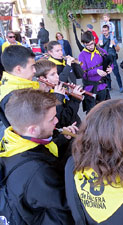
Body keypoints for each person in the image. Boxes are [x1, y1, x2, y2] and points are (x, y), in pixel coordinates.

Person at [0, 89, 76, 224]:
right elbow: (68, 207)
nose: (57, 120)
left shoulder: (11, 140)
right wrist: (75, 151)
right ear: (32, 129)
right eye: (52, 118)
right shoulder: (39, 172)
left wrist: (64, 141)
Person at [0, 45, 39, 134]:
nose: (35, 71)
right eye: (32, 67)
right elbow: (34, 130)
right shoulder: (16, 97)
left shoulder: (8, 85)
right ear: (18, 69)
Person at [34, 59, 84, 128]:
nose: (57, 76)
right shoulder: (43, 99)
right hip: (69, 133)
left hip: (76, 125)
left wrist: (73, 95)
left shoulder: (54, 90)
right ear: (42, 79)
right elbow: (64, 119)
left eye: (56, 73)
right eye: (52, 74)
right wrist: (74, 100)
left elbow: (68, 110)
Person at [79, 31, 112, 114]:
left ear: (94, 40)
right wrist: (96, 71)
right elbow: (83, 73)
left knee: (105, 111)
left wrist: (110, 68)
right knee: (92, 113)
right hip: (90, 88)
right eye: (87, 45)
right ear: (83, 44)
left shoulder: (101, 51)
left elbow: (109, 62)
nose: (90, 47)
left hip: (102, 86)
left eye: (91, 44)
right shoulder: (81, 55)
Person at [100, 24, 123, 93]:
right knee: (107, 73)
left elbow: (118, 49)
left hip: (112, 58)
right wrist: (99, 44)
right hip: (105, 59)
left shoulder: (113, 38)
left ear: (108, 31)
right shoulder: (101, 38)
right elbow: (99, 48)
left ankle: (120, 87)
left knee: (116, 73)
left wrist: (114, 44)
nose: (104, 32)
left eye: (106, 31)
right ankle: (109, 87)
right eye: (103, 31)